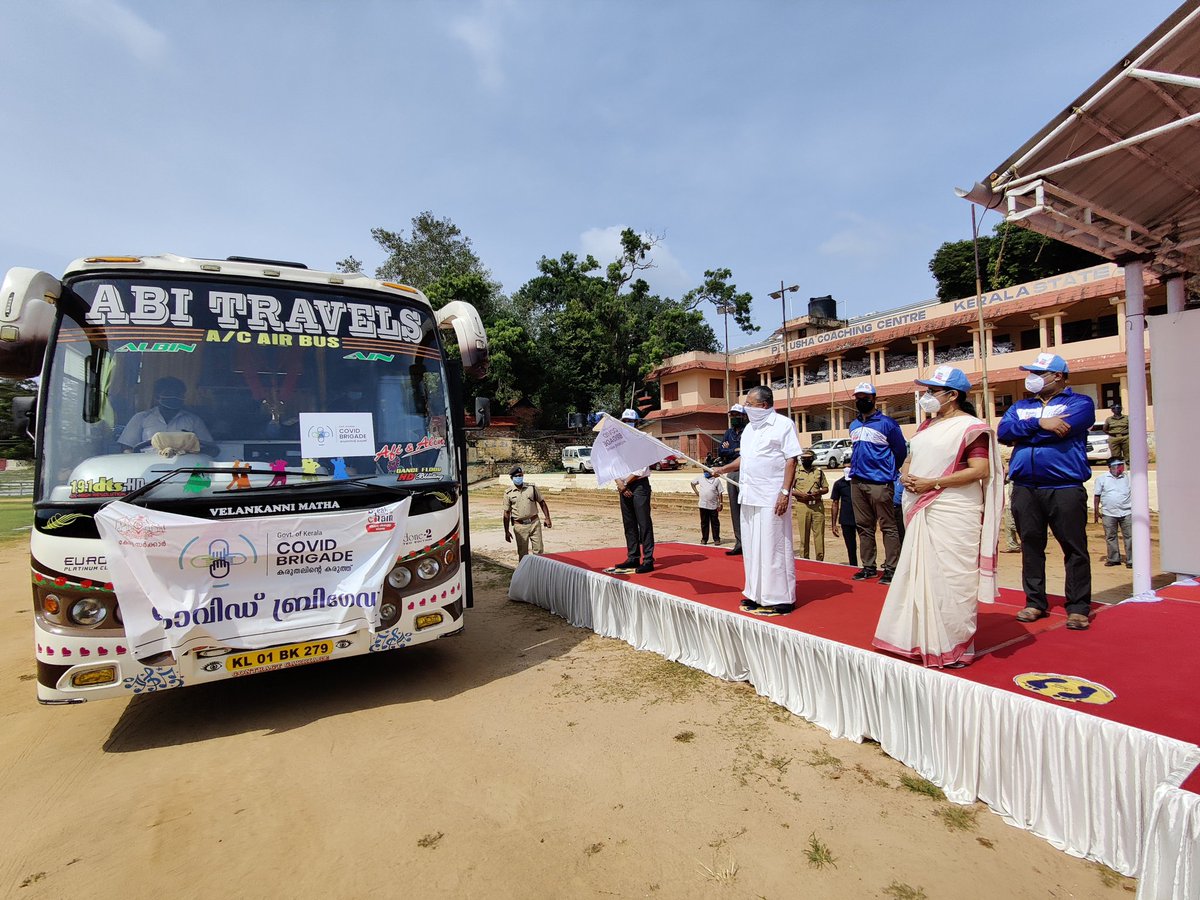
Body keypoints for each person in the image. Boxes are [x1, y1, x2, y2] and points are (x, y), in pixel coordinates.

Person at [872, 367, 1002, 668]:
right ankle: (918, 640)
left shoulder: (970, 427)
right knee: (921, 574)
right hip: (921, 504)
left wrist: (934, 483)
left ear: (952, 395)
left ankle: (953, 647)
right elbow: (909, 457)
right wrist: (904, 474)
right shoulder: (926, 427)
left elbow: (980, 470)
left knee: (952, 578)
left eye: (932, 391)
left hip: (952, 509)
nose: (927, 397)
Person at [997, 353, 1096, 631]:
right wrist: (1039, 423)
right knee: (1031, 545)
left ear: (1059, 376)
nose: (1033, 378)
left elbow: (1063, 431)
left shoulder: (1080, 403)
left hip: (1064, 486)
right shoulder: (1021, 405)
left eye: (1040, 373)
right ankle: (1035, 602)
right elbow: (1003, 432)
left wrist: (1025, 433)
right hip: (1025, 488)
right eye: (1032, 373)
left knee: (1074, 548)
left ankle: (1077, 607)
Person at [711, 385, 802, 616]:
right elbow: (745, 459)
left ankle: (780, 598)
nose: (746, 408)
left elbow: (791, 460)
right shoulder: (750, 429)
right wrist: (722, 468)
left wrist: (784, 492)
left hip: (771, 496)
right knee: (752, 548)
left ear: (763, 405)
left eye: (750, 404)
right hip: (749, 494)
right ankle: (756, 593)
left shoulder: (783, 425)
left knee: (774, 547)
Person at [848, 382, 908, 585]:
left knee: (888, 526)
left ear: (873, 398)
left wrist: (889, 471)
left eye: (864, 397)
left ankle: (891, 568)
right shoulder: (854, 425)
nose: (860, 401)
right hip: (857, 482)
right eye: (857, 397)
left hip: (880, 483)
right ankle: (868, 567)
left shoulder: (887, 424)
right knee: (864, 526)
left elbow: (900, 451)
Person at [118, 376, 218, 454]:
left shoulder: (194, 420)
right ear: (157, 396)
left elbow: (211, 449)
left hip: (185, 467)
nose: (174, 397)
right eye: (169, 393)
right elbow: (127, 448)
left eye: (178, 394)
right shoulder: (141, 418)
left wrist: (190, 446)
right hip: (148, 466)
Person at [611, 409, 655, 574]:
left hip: (639, 485)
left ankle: (648, 559)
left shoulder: (642, 441)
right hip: (623, 486)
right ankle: (633, 557)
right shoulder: (618, 443)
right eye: (624, 420)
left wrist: (625, 483)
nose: (627, 423)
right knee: (629, 524)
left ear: (636, 422)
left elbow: (641, 468)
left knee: (643, 523)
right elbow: (612, 464)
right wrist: (619, 484)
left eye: (630, 421)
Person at [716, 404, 748, 555]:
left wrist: (733, 451)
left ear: (743, 416)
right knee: (735, 509)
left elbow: (746, 452)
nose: (734, 418)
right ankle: (739, 543)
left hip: (745, 472)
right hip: (731, 472)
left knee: (747, 508)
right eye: (732, 415)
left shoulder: (749, 431)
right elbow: (721, 451)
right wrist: (735, 450)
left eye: (737, 415)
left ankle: (750, 543)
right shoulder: (728, 433)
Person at [503, 465, 552, 560]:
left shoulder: (531, 488)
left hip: (534, 523)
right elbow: (506, 513)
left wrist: (547, 518)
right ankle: (525, 574)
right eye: (517, 476)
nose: (519, 477)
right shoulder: (508, 493)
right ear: (512, 478)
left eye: (520, 475)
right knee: (523, 554)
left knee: (539, 552)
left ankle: (538, 573)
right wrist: (506, 531)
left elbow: (542, 502)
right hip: (520, 527)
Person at [1093, 458, 1132, 568]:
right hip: (1108, 512)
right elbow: (1097, 496)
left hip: (1127, 511)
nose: (1120, 468)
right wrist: (1096, 512)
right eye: (1117, 466)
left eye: (1121, 465)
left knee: (1129, 536)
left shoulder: (1128, 478)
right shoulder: (1101, 479)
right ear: (1110, 467)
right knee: (1110, 536)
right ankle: (1113, 558)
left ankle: (1131, 559)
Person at [792, 448, 828, 560]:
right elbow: (789, 489)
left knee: (819, 535)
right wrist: (801, 495)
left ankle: (820, 559)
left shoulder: (819, 472)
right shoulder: (796, 472)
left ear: (813, 459)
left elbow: (826, 488)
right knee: (804, 535)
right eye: (804, 458)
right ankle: (804, 559)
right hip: (802, 505)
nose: (806, 460)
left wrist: (819, 492)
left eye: (808, 458)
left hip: (817, 506)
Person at [830, 467, 858, 567]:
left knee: (866, 545)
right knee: (850, 546)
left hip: (861, 517)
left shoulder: (860, 483)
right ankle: (853, 565)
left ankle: (869, 566)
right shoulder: (839, 484)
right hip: (846, 518)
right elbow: (835, 503)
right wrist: (833, 524)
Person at [690, 470, 724, 544]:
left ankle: (716, 539)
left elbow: (720, 492)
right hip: (703, 505)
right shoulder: (700, 477)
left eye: (707, 471)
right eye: (704, 471)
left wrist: (720, 503)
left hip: (713, 505)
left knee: (715, 523)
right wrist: (696, 492)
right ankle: (704, 539)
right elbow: (692, 483)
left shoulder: (716, 480)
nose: (705, 473)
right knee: (704, 523)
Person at [892, 478, 906, 545]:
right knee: (892, 533)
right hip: (890, 508)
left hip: (901, 509)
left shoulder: (903, 477)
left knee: (902, 532)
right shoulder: (892, 477)